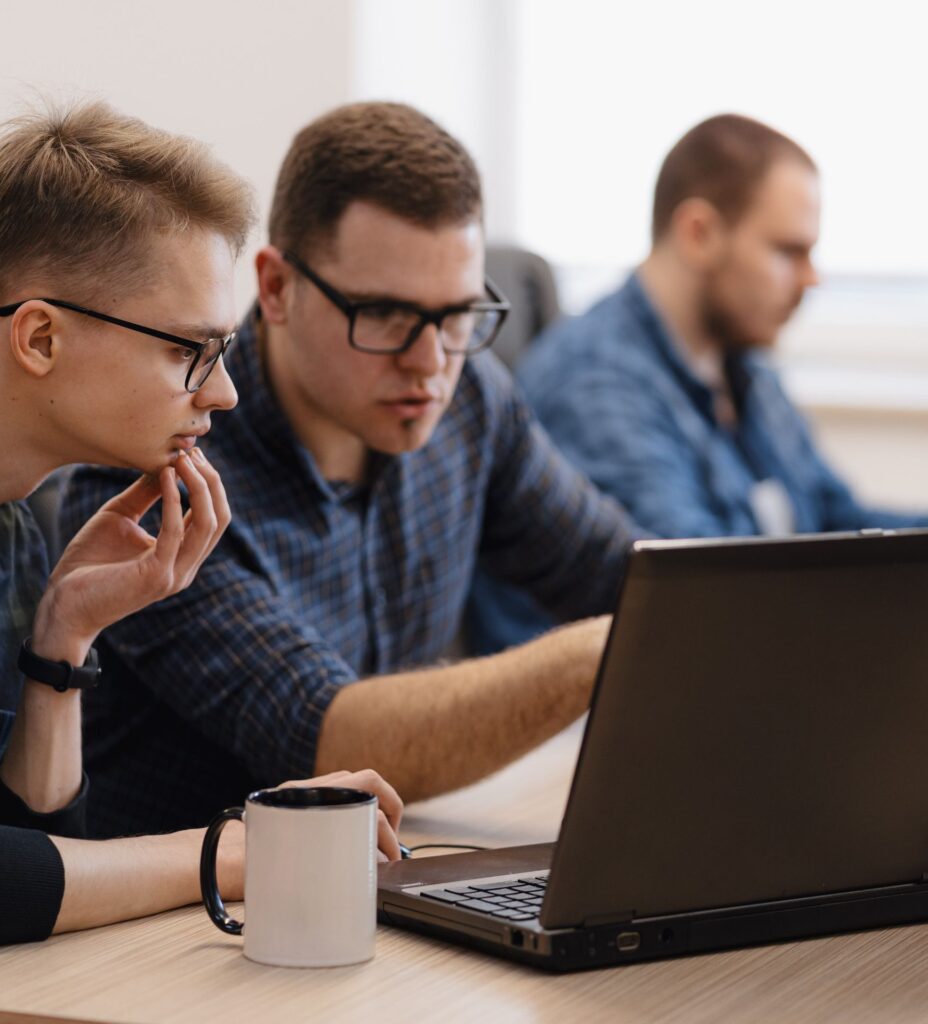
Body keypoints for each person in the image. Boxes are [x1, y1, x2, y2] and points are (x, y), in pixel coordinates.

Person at [59, 101, 641, 838]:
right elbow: (330, 744)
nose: (431, 363)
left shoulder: (469, 403)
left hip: (365, 882)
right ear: (276, 288)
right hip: (180, 922)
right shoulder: (154, 470)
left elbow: (628, 573)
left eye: (458, 315)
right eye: (387, 316)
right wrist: (606, 649)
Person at [0, 100, 401, 959]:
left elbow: (14, 856)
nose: (223, 394)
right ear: (40, 338)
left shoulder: (15, 521)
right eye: (188, 353)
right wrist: (228, 850)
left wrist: (62, 639)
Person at [470, 112, 928, 653]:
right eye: (788, 252)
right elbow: (705, 606)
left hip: (748, 665)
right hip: (605, 708)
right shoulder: (596, 386)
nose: (812, 278)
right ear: (699, 233)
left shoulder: (741, 363)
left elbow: (838, 519)